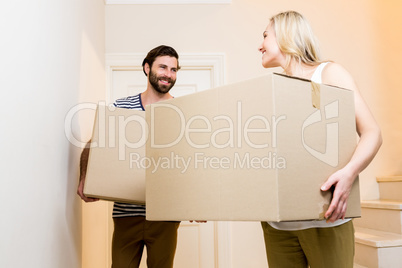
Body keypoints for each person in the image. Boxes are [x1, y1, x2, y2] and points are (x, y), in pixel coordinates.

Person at [258, 11, 382, 268]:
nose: (260, 45)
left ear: (284, 35)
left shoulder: (328, 73)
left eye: (265, 35)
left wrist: (348, 174)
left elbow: (372, 133)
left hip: (326, 219)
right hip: (277, 227)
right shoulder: (272, 88)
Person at [77, 45, 181, 268]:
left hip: (165, 215)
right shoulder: (121, 107)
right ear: (147, 68)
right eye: (163, 67)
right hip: (126, 215)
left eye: (173, 70)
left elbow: (194, 161)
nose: (168, 74)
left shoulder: (182, 110)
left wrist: (198, 204)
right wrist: (85, 177)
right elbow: (94, 143)